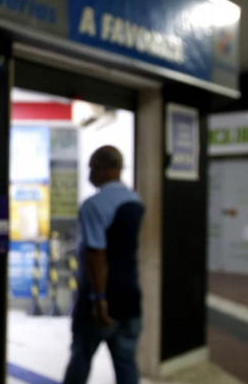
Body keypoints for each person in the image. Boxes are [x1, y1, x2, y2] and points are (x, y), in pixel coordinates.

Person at [63, 145, 144, 384]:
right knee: (126, 363)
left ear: (103, 168)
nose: (89, 174)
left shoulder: (94, 205)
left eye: (91, 167)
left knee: (81, 358)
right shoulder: (135, 201)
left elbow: (96, 255)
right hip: (130, 299)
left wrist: (99, 300)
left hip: (99, 303)